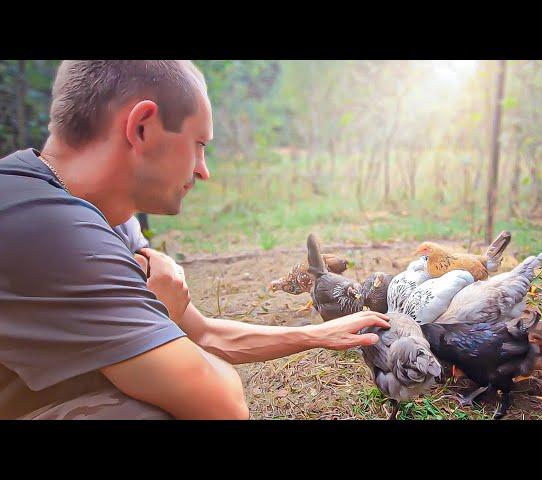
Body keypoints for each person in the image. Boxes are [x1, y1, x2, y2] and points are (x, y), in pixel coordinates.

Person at [0, 60, 390, 420]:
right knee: (148, 412)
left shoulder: (108, 216)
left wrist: (313, 335)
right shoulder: (52, 227)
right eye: (199, 145)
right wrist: (166, 322)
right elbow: (223, 406)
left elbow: (201, 331)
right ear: (142, 128)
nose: (203, 171)